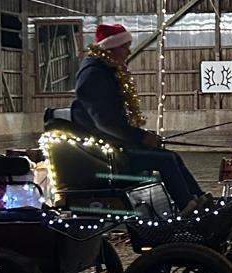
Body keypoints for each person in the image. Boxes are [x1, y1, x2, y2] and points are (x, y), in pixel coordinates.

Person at [70, 23, 203, 210]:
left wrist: (142, 135)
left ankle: (198, 199)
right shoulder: (94, 75)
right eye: (124, 46)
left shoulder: (103, 70)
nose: (129, 51)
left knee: (172, 157)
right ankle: (187, 206)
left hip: (112, 143)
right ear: (110, 47)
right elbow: (105, 123)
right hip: (104, 152)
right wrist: (140, 137)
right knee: (166, 159)